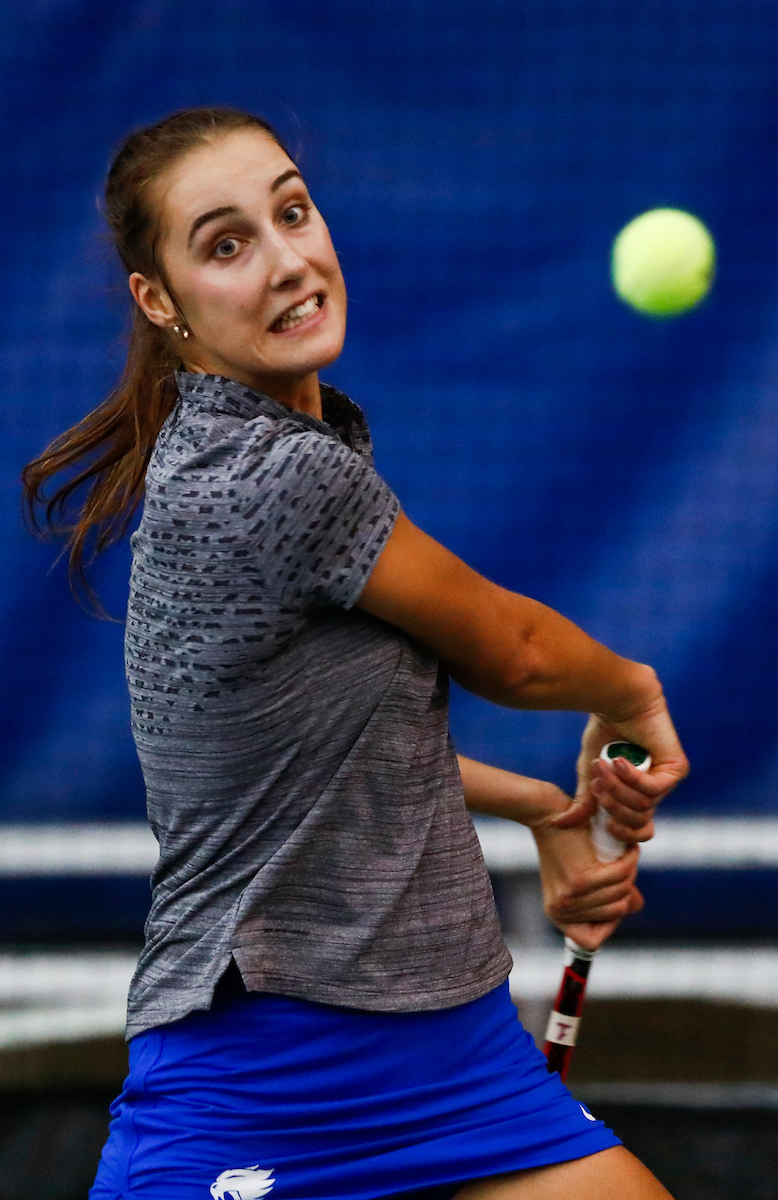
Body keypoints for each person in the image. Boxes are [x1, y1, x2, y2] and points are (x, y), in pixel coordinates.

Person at [23, 107, 688, 1200]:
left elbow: (303, 762)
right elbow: (515, 654)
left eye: (292, 211)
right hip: (266, 1071)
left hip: (459, 1058)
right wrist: (629, 693)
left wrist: (536, 809)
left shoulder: (282, 452)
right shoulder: (274, 478)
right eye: (226, 243)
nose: (288, 261)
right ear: (160, 300)